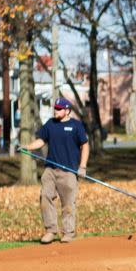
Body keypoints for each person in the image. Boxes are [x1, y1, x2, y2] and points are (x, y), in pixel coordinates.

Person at [24, 97, 89, 244]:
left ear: (67, 111)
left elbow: (84, 145)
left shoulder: (76, 125)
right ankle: (50, 230)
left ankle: (68, 232)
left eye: (59, 109)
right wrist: (27, 147)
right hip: (50, 170)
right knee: (45, 196)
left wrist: (82, 166)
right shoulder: (50, 124)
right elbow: (41, 140)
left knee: (68, 204)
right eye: (55, 108)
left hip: (69, 172)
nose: (55, 110)